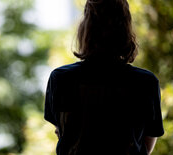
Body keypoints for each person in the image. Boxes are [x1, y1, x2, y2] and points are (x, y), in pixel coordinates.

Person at [44, 0, 164, 154]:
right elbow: (146, 145)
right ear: (126, 28)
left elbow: (64, 133)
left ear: (85, 28)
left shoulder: (61, 79)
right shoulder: (146, 82)